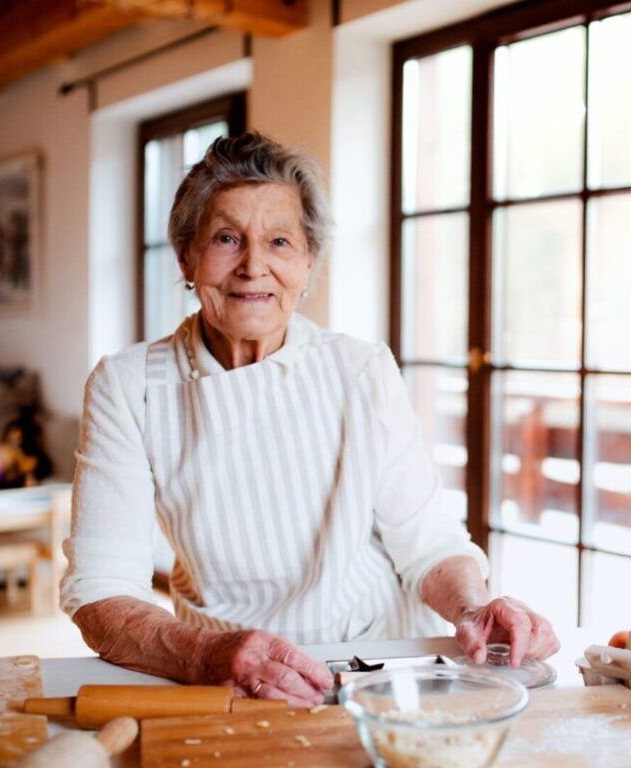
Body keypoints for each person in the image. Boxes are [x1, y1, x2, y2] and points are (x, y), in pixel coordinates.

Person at [61, 133, 559, 706]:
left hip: (375, 669)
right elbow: (100, 592)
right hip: (221, 675)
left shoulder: (360, 368)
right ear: (187, 258)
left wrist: (474, 610)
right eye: (226, 238)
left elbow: (427, 543)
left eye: (278, 241)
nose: (254, 266)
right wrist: (203, 655)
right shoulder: (128, 386)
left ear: (308, 262)